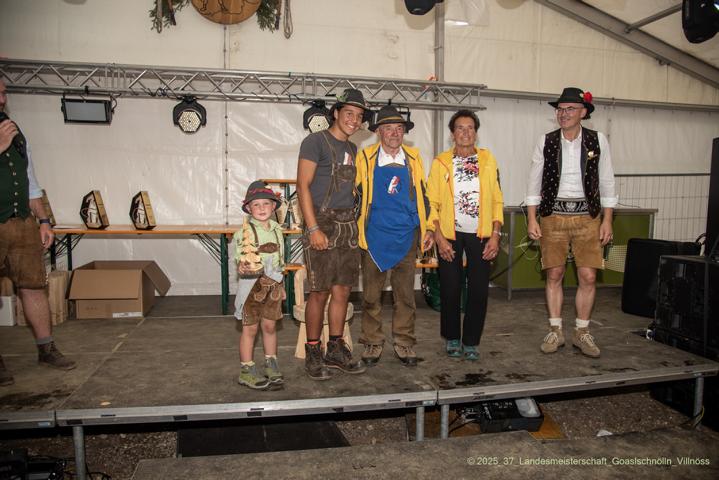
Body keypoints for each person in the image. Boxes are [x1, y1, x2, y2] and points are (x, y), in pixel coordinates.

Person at [525, 87, 617, 358]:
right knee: (554, 274)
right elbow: (534, 180)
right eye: (560, 109)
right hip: (552, 215)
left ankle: (581, 331)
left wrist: (607, 220)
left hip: (589, 216)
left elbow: (607, 179)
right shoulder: (546, 140)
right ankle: (556, 330)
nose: (563, 114)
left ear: (583, 112)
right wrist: (532, 218)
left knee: (588, 275)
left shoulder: (598, 140)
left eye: (569, 109)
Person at [0, 79, 76, 386]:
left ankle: (46, 348)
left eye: (4, 92)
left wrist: (44, 220)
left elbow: (30, 181)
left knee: (33, 285)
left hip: (21, 222)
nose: (2, 99)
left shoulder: (13, 130)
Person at [296, 88, 368, 380]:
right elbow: (302, 186)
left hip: (347, 224)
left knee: (342, 291)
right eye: (349, 113)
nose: (354, 120)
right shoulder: (315, 142)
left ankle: (335, 350)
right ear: (336, 113)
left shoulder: (353, 149)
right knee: (319, 292)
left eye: (359, 116)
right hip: (322, 223)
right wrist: (313, 228)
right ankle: (313, 352)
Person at [356, 104, 433, 367]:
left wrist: (427, 228)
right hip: (374, 236)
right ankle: (372, 341)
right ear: (378, 131)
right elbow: (356, 194)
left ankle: (404, 341)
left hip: (406, 236)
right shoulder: (365, 158)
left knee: (405, 296)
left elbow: (423, 195)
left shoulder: (414, 158)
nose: (394, 133)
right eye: (388, 128)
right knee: (371, 296)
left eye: (399, 128)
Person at [426, 110, 504, 361]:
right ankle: (452, 337)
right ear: (452, 134)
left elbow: (497, 200)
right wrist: (439, 237)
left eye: (470, 128)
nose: (465, 132)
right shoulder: (440, 162)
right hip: (449, 234)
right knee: (450, 288)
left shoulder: (488, 160)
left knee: (479, 290)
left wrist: (495, 235)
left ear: (476, 133)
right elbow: (431, 202)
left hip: (481, 234)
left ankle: (471, 341)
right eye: (460, 128)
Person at [233, 181, 286, 390]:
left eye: (266, 203)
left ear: (273, 207)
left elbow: (280, 261)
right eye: (256, 204)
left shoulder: (277, 230)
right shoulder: (244, 233)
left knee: (270, 326)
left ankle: (271, 363)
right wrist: (242, 265)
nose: (262, 208)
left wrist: (281, 285)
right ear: (248, 208)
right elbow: (239, 258)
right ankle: (246, 370)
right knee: (251, 329)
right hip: (251, 289)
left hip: (273, 287)